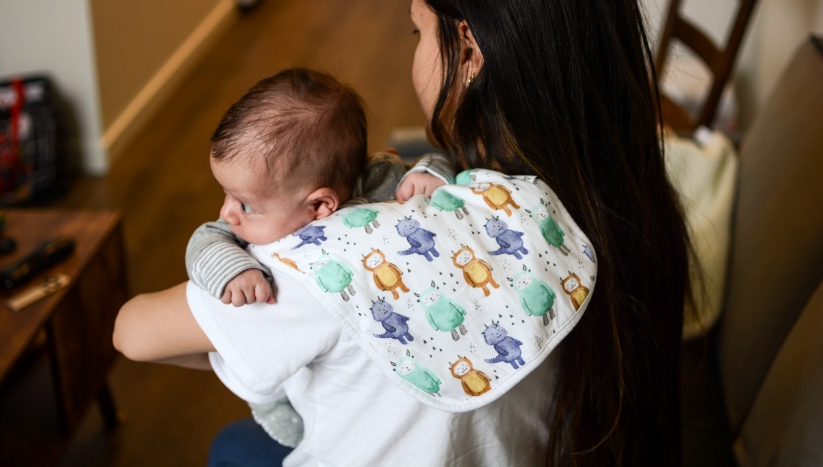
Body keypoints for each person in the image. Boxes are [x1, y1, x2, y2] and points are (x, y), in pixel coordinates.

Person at [114, 1, 691, 466]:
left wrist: (228, 273)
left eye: (416, 32)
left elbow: (131, 333)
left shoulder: (329, 260)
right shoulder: (587, 203)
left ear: (468, 50)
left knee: (229, 448)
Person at [183, 67, 455, 448]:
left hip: (383, 365)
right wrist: (233, 271)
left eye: (244, 203)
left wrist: (431, 174)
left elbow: (434, 162)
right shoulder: (236, 227)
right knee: (277, 409)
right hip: (289, 381)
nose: (227, 212)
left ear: (320, 206)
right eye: (227, 194)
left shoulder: (382, 179)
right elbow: (206, 239)